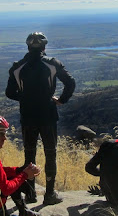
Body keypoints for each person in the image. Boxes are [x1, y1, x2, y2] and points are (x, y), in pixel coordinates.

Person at [5, 32, 76, 206]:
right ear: (44, 47)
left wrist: (25, 98)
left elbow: (9, 93)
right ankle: (49, 194)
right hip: (48, 115)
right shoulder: (52, 64)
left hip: (27, 115)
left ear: (28, 47)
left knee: (30, 155)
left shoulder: (17, 67)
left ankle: (30, 194)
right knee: (50, 154)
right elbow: (70, 82)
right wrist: (61, 100)